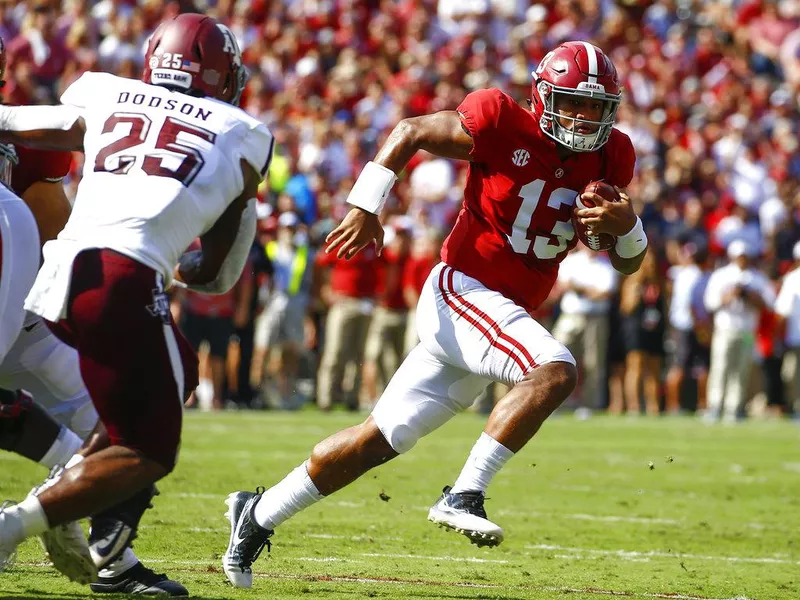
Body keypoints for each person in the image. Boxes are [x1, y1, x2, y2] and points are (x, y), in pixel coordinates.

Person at [223, 41, 647, 589]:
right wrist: (364, 205)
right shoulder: (499, 120)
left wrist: (627, 226)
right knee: (555, 369)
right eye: (574, 103)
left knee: (379, 439)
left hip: (496, 316)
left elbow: (630, 263)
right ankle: (465, 491)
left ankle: (256, 514)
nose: (586, 117)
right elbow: (410, 130)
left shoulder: (612, 156)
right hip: (461, 290)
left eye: (597, 107)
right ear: (544, 97)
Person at [0, 13, 273, 586]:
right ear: (223, 78)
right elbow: (216, 275)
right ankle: (33, 523)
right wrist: (186, 258)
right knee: (150, 450)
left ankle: (93, 508)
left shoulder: (104, 91)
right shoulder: (243, 132)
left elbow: (14, 121)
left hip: (58, 273)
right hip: (121, 276)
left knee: (170, 379)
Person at [0, 33, 186, 594]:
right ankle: (50, 497)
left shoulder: (26, 134)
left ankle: (111, 559)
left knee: (122, 422)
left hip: (20, 303)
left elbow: (51, 225)